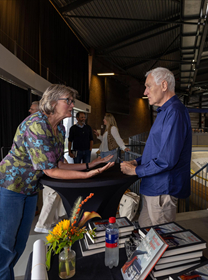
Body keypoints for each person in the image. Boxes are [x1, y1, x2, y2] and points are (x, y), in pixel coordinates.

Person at [0, 84, 114, 280]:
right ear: (52, 102)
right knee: (5, 246)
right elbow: (51, 170)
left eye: (72, 102)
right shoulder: (37, 124)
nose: (72, 106)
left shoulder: (59, 128)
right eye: (68, 101)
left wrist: (90, 165)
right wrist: (87, 176)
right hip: (10, 187)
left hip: (30, 189)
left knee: (18, 244)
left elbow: (60, 163)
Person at [120, 67, 192, 227]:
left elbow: (167, 159)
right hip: (153, 187)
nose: (145, 92)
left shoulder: (175, 112)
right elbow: (158, 150)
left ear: (164, 85)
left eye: (148, 86)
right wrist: (137, 162)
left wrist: (135, 171)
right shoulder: (164, 112)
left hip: (162, 189)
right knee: (146, 236)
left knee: (162, 241)